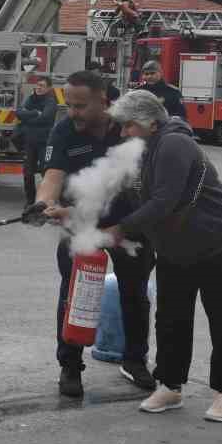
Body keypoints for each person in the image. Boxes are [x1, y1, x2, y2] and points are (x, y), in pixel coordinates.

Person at [106, 88, 222, 423]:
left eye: (129, 126)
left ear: (149, 123)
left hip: (221, 244)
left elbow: (164, 202)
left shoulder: (174, 144)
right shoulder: (141, 150)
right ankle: (169, 385)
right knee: (171, 318)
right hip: (176, 249)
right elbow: (116, 192)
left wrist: (120, 229)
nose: (124, 132)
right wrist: (74, 211)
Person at [39, 70, 156, 399]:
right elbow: (52, 176)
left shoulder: (129, 128)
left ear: (103, 102)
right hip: (80, 223)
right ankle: (70, 366)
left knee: (135, 294)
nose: (72, 112)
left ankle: (135, 360)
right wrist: (43, 203)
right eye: (68, 104)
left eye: (79, 106)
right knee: (74, 295)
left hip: (128, 224)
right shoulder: (64, 129)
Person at [15, 75, 58, 209]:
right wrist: (35, 113)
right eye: (37, 85)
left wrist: (28, 119)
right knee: (27, 173)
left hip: (44, 142)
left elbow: (45, 117)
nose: (38, 88)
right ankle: (30, 200)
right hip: (30, 142)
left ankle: (47, 200)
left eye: (42, 86)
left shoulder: (51, 102)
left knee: (45, 172)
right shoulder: (31, 99)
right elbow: (18, 112)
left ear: (49, 88)